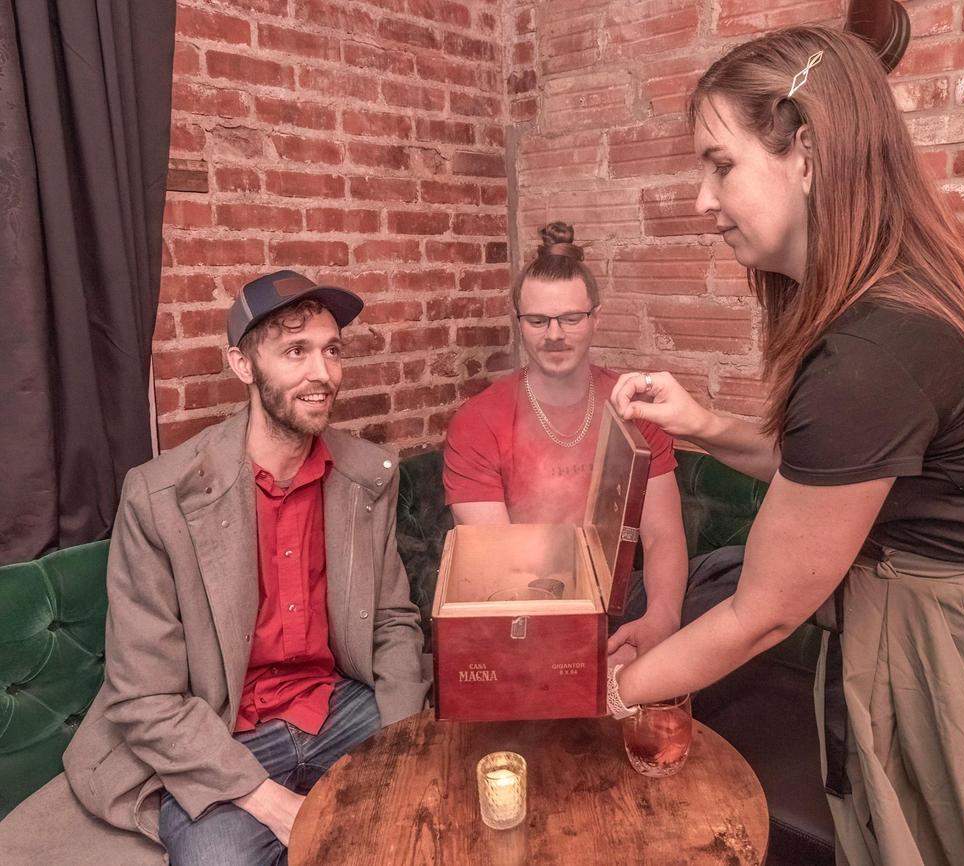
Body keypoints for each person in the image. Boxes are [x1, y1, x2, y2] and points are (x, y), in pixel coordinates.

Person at [605, 25, 964, 866]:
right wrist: (703, 423)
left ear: (807, 154)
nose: (702, 199)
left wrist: (604, 696)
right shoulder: (897, 298)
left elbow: (764, 611)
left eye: (719, 163)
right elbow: (837, 481)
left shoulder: (872, 350)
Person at [59, 270, 430, 865]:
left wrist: (404, 738)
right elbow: (143, 697)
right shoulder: (161, 497)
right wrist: (270, 801)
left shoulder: (365, 477)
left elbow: (391, 621)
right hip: (221, 732)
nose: (322, 374)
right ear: (242, 365)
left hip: (339, 707)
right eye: (295, 352)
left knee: (442, 812)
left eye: (332, 350)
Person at [443, 222, 739, 661]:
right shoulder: (477, 421)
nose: (555, 334)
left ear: (595, 318)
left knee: (735, 569)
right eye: (539, 320)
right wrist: (573, 653)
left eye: (571, 318)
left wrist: (660, 621)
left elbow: (660, 535)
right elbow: (501, 569)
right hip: (529, 606)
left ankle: (642, 663)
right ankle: (621, 676)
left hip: (620, 596)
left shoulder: (635, 405)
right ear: (520, 323)